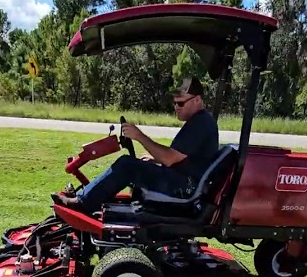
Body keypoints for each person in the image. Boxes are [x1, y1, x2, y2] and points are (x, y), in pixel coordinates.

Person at [55, 77, 220, 213]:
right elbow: (181, 158)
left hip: (183, 188)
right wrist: (155, 159)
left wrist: (139, 136)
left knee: (127, 165)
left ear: (197, 100)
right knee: (133, 164)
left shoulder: (201, 123)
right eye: (174, 103)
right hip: (182, 181)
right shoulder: (200, 121)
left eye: (181, 103)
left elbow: (170, 158)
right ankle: (89, 197)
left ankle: (83, 203)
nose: (176, 107)